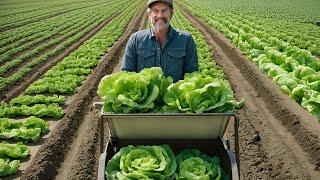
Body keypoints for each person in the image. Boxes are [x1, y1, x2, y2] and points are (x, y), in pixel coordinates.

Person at [121, 0, 199, 82]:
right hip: (145, 95)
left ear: (171, 14)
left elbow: (192, 74)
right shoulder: (136, 39)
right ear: (149, 14)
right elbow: (127, 73)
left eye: (164, 11)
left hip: (174, 94)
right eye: (155, 11)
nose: (160, 15)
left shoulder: (186, 40)